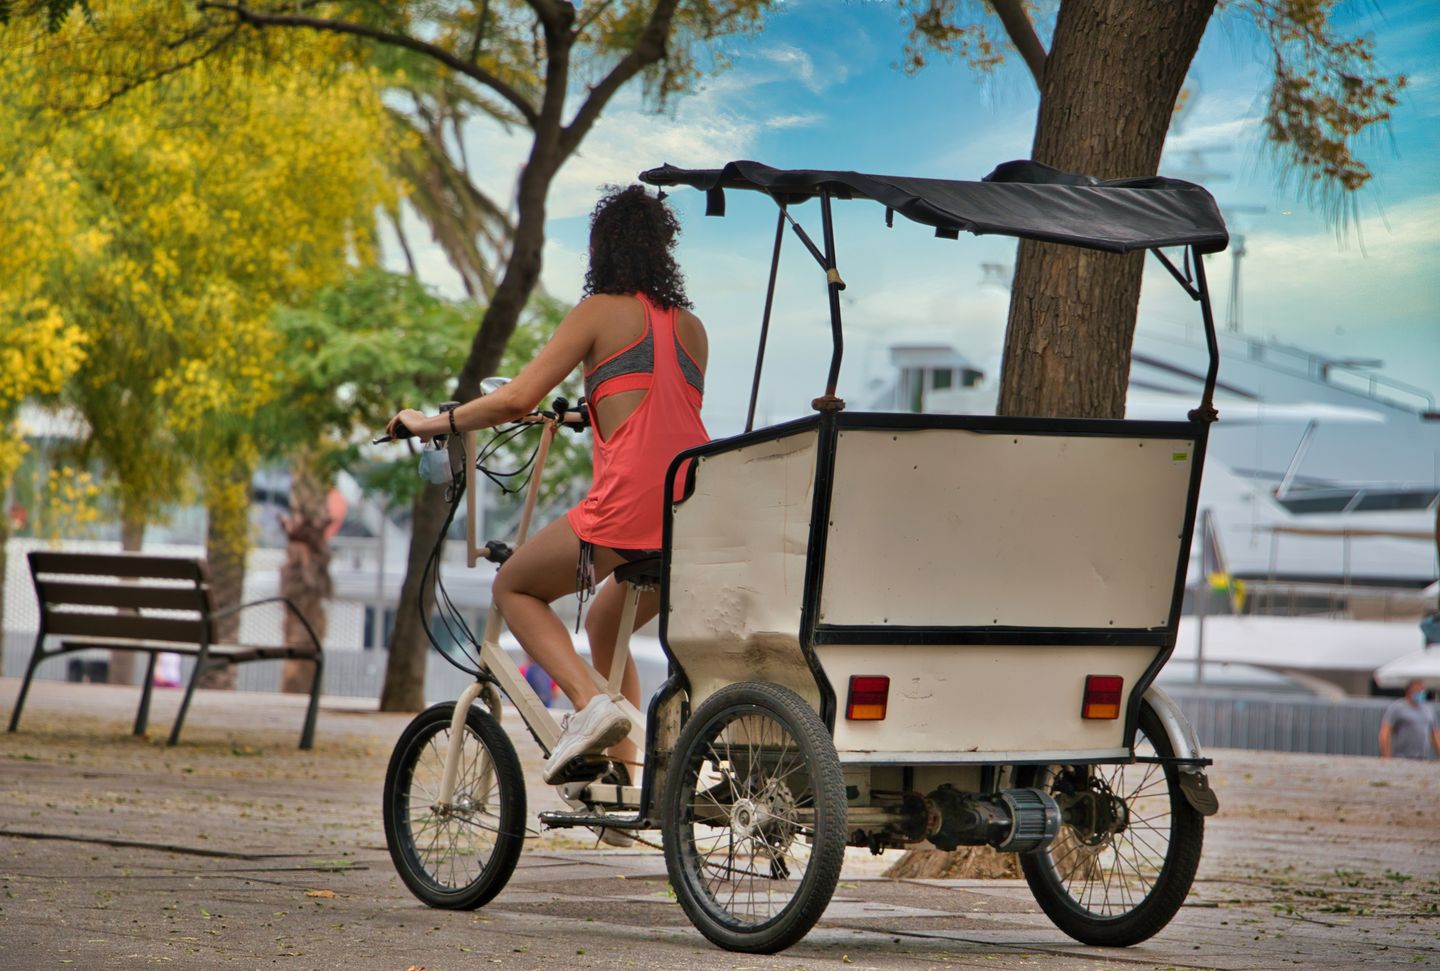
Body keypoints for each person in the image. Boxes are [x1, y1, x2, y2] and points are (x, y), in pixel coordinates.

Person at [387, 185, 708, 783]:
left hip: (631, 499)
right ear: (664, 250)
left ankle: (590, 707)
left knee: (515, 587)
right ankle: (622, 782)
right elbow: (658, 406)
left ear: (603, 250)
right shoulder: (692, 328)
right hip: (693, 504)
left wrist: (424, 422)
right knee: (605, 625)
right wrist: (586, 413)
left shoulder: (598, 312)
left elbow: (514, 398)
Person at [1378, 679, 1440, 760]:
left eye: (1422, 689)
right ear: (1408, 690)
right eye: (1417, 689)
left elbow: (1435, 734)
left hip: (1422, 758)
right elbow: (1385, 733)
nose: (1420, 692)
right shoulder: (1397, 708)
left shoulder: (1428, 710)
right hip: (1401, 758)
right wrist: (1386, 756)